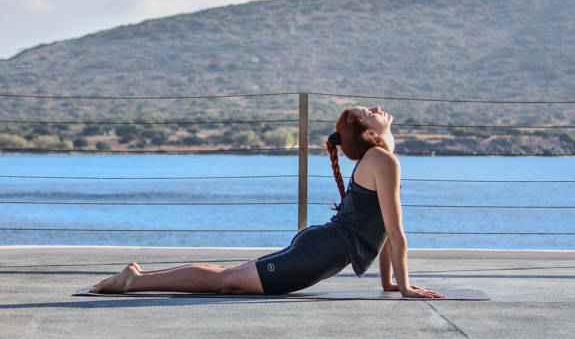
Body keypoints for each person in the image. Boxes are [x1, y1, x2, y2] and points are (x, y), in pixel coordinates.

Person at [90, 106, 444, 298]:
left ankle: (135, 277)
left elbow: (382, 230)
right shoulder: (383, 161)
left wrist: (391, 283)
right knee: (225, 282)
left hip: (319, 246)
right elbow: (395, 233)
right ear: (366, 131)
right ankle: (133, 283)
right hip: (317, 253)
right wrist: (405, 287)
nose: (377, 108)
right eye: (369, 111)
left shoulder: (379, 160)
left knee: (226, 276)